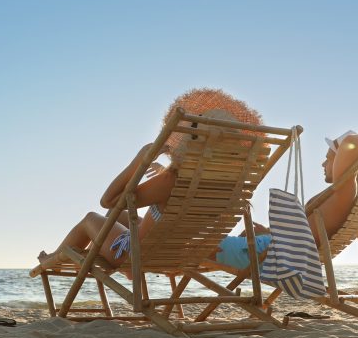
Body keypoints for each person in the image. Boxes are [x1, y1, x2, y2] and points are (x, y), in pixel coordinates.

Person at [37, 88, 262, 274]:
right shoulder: (227, 187)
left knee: (90, 218)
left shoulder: (173, 181)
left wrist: (141, 158)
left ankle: (54, 259)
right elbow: (175, 204)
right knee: (118, 217)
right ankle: (72, 253)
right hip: (174, 255)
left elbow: (108, 200)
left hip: (135, 256)